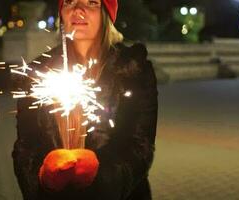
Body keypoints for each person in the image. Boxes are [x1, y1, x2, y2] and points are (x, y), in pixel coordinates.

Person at [12, 0, 158, 199]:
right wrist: (43, 176)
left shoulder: (133, 70)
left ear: (107, 14)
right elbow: (26, 146)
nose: (78, 9)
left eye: (91, 2)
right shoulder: (38, 73)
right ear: (61, 12)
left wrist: (100, 175)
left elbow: (140, 147)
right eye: (70, 1)